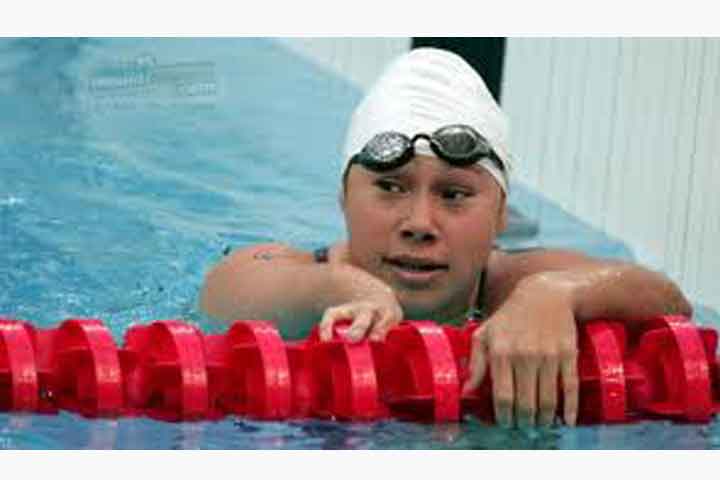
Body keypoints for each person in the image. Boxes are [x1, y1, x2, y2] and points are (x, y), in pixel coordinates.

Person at [199, 48, 692, 428]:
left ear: (501, 215)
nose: (420, 222)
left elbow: (667, 299)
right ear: (343, 198)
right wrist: (344, 288)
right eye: (390, 187)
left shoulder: (509, 284)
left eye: (454, 195)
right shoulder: (303, 274)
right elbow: (222, 289)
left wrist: (556, 294)